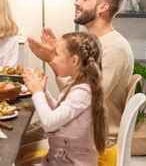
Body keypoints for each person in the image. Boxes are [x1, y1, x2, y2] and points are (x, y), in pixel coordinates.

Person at [22, 32, 107, 165]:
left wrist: (37, 93)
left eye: (56, 54)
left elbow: (49, 124)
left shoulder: (83, 92)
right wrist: (43, 91)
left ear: (74, 61)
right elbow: (59, 113)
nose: (52, 59)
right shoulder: (76, 84)